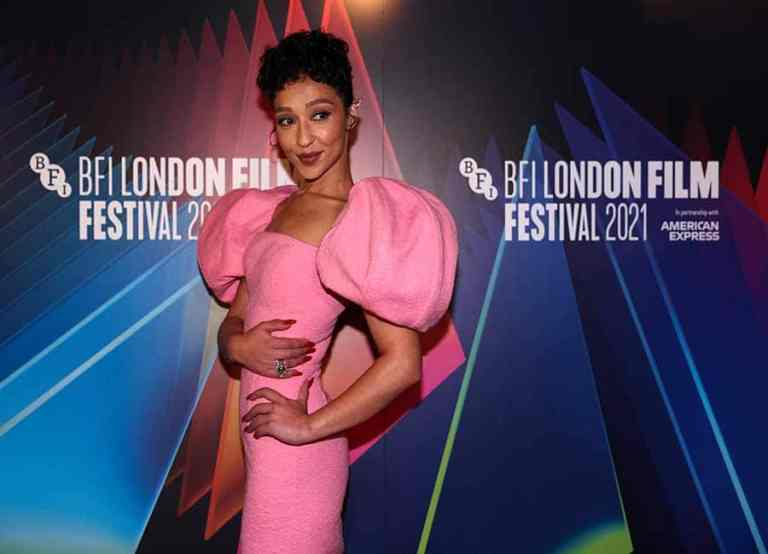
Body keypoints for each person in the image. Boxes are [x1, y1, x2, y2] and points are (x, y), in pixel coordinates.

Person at [196, 29, 458, 554]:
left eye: (320, 114)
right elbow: (236, 319)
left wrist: (310, 425)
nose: (304, 139)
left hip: (296, 449)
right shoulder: (271, 209)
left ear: (350, 115)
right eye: (287, 120)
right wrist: (236, 345)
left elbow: (404, 364)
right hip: (264, 442)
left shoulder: (358, 221)